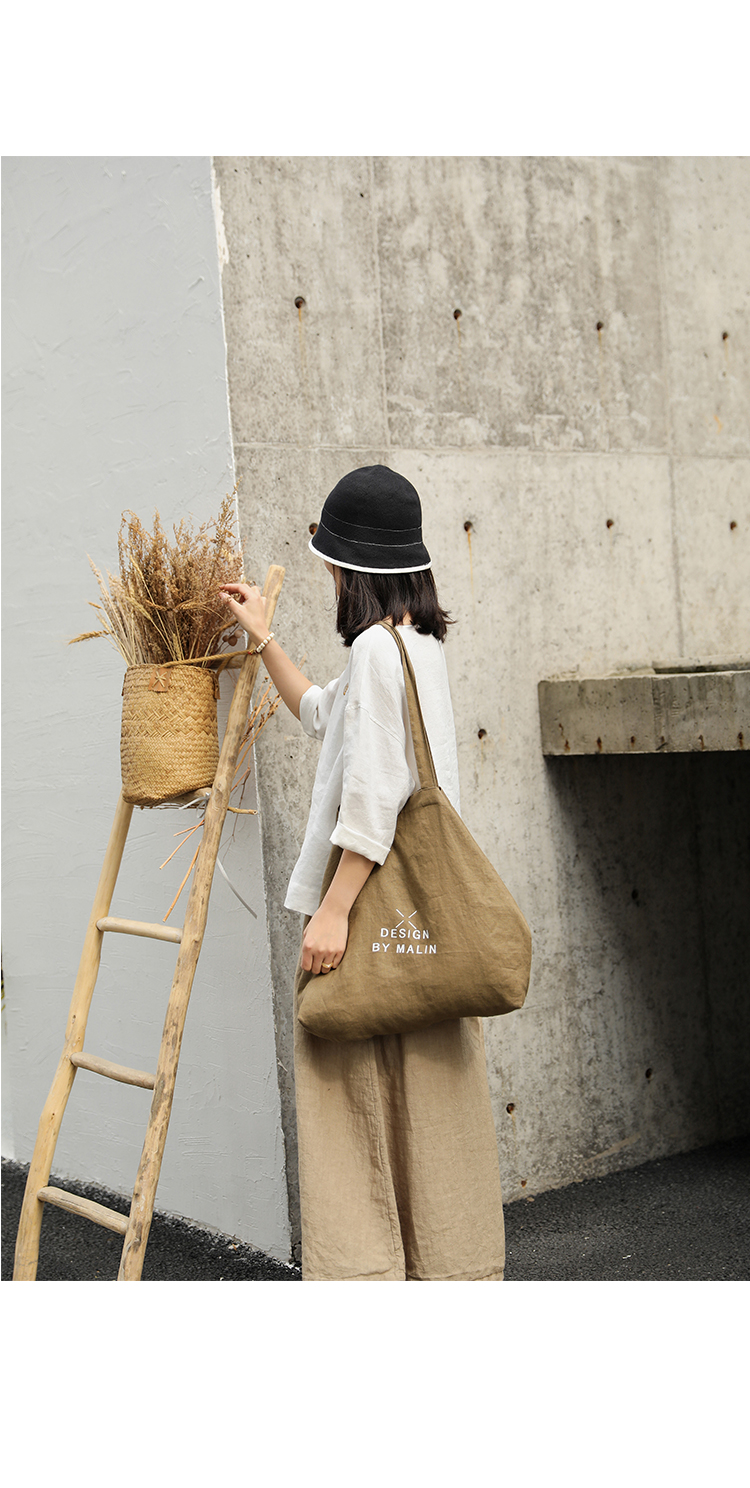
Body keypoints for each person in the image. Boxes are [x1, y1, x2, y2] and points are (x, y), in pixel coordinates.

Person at [221, 465, 505, 1280]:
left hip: (370, 905)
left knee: (348, 1103)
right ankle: (452, 1265)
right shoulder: (415, 649)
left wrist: (334, 910)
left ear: (354, 569)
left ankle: (363, 1275)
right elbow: (323, 713)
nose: (331, 579)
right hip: (423, 919)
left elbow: (377, 796)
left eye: (333, 566)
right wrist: (264, 637)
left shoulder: (381, 651)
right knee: (433, 1107)